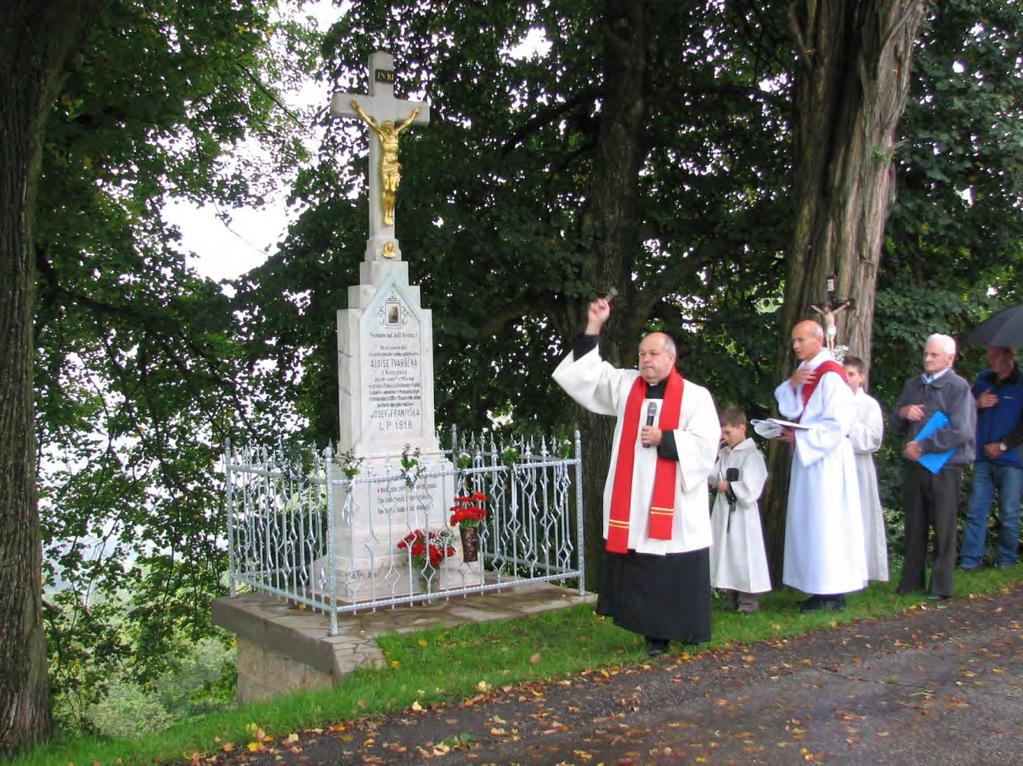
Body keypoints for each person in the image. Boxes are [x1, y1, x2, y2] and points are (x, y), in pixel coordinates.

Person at [552, 297, 719, 656]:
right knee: (645, 568)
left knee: (674, 567)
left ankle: (687, 629)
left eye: (654, 353)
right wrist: (594, 325)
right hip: (633, 502)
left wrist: (667, 439)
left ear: (671, 359)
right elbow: (587, 376)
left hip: (674, 503)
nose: (645, 359)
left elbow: (707, 445)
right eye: (642, 354)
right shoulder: (626, 387)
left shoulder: (695, 397)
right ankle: (653, 636)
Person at [774, 320, 866, 611]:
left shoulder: (831, 376)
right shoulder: (809, 372)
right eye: (793, 340)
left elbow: (837, 424)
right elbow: (794, 409)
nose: (796, 345)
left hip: (827, 461)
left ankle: (832, 592)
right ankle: (817, 586)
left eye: (801, 339)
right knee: (812, 522)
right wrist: (792, 385)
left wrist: (799, 438)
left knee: (827, 522)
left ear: (818, 339)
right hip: (811, 459)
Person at [891, 334, 975, 600]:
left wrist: (924, 445)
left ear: (950, 358)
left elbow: (961, 431)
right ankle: (911, 583)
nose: (927, 359)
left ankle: (940, 587)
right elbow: (894, 424)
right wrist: (904, 413)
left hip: (945, 466)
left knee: (944, 526)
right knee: (915, 525)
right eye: (926, 354)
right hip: (915, 465)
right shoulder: (913, 384)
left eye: (934, 355)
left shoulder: (959, 388)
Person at [960, 346, 1023, 570]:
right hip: (983, 458)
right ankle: (969, 562)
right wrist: (978, 404)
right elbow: (963, 412)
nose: (992, 361)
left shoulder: (1020, 383)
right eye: (989, 356)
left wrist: (1003, 445)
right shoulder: (984, 380)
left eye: (996, 357)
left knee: (1009, 512)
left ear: (1010, 356)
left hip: (1012, 461)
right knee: (976, 510)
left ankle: (1006, 561)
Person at [709, 406, 770, 613]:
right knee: (727, 553)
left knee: (744, 554)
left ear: (742, 428)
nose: (724, 437)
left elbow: (752, 488)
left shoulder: (752, 456)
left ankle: (748, 602)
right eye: (722, 432)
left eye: (728, 432)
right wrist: (713, 453)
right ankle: (731, 597)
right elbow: (710, 475)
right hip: (724, 510)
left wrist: (731, 486)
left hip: (743, 515)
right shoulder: (725, 454)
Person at [843, 356, 889, 582]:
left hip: (859, 466)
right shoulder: (835, 402)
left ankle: (862, 572)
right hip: (839, 467)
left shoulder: (869, 405)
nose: (847, 379)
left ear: (861, 377)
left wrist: (847, 432)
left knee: (861, 516)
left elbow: (873, 438)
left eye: (851, 374)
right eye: (844, 374)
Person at [350, 99, 422, 226]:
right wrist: (358, 109)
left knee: (392, 191)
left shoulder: (395, 134)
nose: (389, 129)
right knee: (386, 188)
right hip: (385, 165)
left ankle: (389, 213)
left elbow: (406, 123)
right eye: (387, 127)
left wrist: (414, 114)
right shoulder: (382, 134)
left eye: (390, 127)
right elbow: (369, 121)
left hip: (394, 166)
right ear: (384, 128)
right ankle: (386, 213)